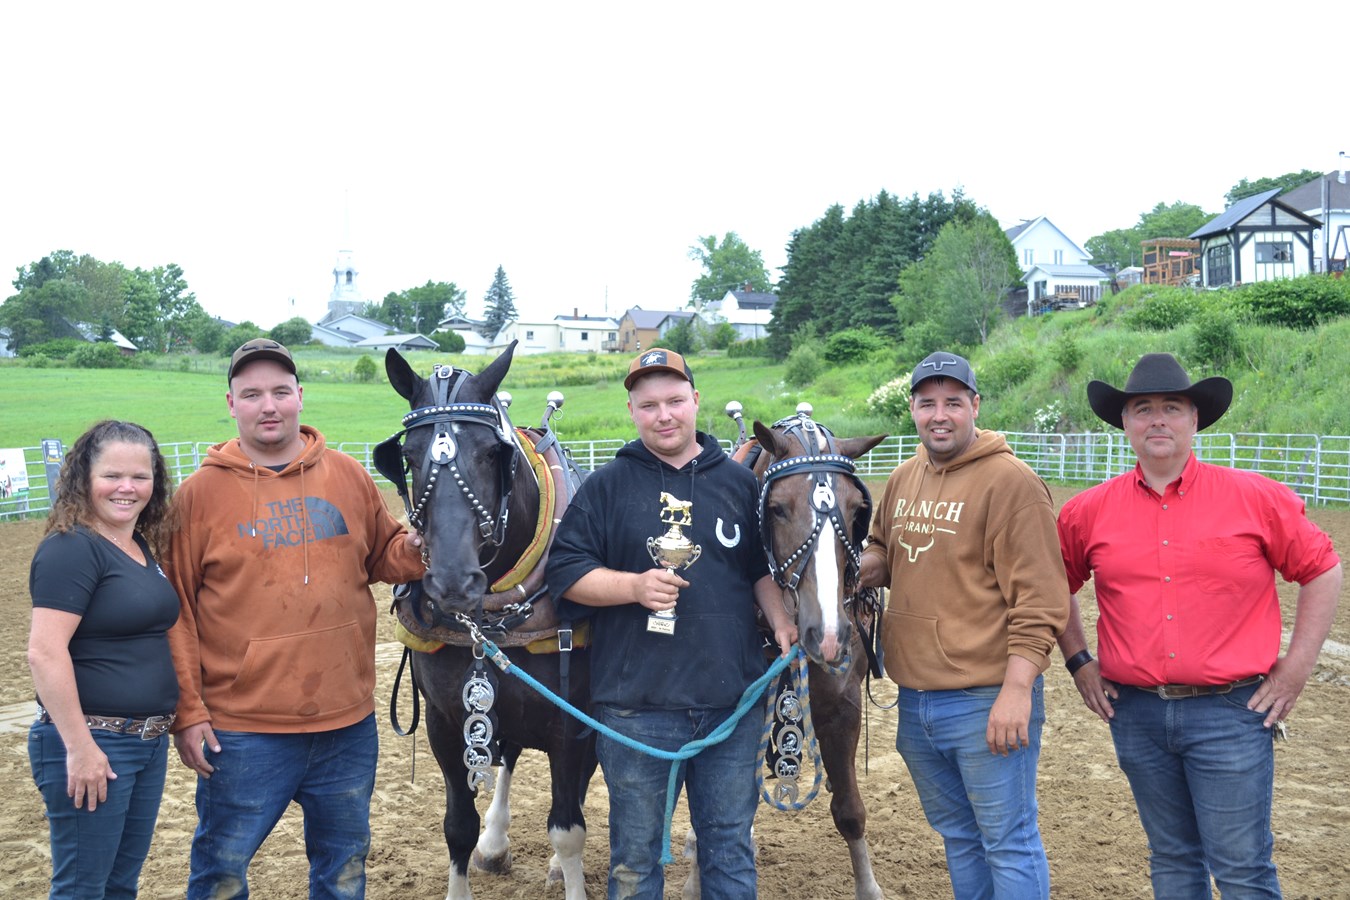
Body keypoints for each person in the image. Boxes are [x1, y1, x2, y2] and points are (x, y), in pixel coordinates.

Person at [1056, 352, 1342, 898]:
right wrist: (1079, 663)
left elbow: (1323, 570)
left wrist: (1296, 670)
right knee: (1172, 859)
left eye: (1172, 407)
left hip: (1231, 711)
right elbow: (1055, 588)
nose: (1157, 419)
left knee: (1242, 868)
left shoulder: (1255, 497)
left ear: (1194, 420)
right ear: (1125, 423)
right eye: (1143, 408)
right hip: (1135, 712)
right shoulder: (1086, 512)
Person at [164, 339, 426, 899]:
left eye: (281, 391)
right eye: (252, 393)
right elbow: (177, 612)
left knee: (344, 867)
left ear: (300, 397)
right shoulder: (198, 496)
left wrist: (428, 544)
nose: (269, 405)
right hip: (242, 732)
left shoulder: (348, 476)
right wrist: (187, 711)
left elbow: (385, 556)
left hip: (346, 724)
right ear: (230, 402)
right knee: (222, 870)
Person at [545, 348, 797, 899]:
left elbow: (759, 569)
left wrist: (780, 619)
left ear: (695, 402)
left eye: (676, 401)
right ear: (632, 410)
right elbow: (566, 574)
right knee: (635, 863)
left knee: (729, 851)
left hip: (732, 705)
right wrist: (633, 586)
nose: (665, 415)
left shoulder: (739, 484)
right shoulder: (607, 486)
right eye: (650, 404)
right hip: (636, 710)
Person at [858, 350, 1068, 899]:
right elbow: (883, 548)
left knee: (1009, 840)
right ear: (913, 410)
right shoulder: (904, 478)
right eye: (927, 403)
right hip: (917, 699)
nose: (940, 415)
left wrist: (1017, 691)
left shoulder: (1012, 484)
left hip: (985, 698)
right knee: (959, 836)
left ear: (976, 406)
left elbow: (1042, 602)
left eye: (953, 402)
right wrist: (853, 572)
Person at [27, 420, 180, 898]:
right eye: (112, 475)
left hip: (145, 743)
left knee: (118, 886)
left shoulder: (137, 546)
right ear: (83, 479)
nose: (127, 488)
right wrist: (80, 748)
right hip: (94, 743)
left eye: (141, 476)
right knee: (81, 888)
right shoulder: (71, 548)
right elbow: (44, 651)